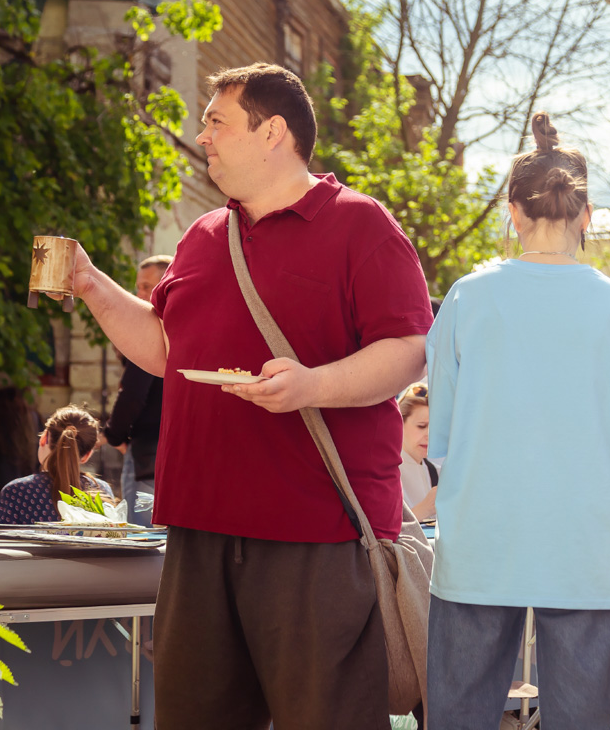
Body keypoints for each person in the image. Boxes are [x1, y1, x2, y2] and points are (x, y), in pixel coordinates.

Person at [65, 63, 433, 729]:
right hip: (199, 533)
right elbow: (166, 351)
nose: (202, 136)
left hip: (318, 537)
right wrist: (92, 285)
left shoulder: (362, 225)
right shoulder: (205, 235)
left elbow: (409, 350)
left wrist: (313, 385)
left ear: (272, 132)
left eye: (216, 122)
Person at [425, 112, 610, 730]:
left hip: (480, 539)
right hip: (584, 544)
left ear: (512, 211)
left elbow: (440, 432)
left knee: (459, 720)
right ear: (587, 214)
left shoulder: (466, 297)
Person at [101, 254, 172, 525]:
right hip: (177, 453)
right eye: (138, 286)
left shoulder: (151, 329)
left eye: (145, 286)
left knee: (141, 544)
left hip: (147, 457)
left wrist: (114, 435)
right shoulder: (187, 326)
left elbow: (133, 393)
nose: (138, 294)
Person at [0, 405, 114, 525]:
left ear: (44, 438)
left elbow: (2, 542)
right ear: (87, 455)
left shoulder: (16, 491)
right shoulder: (102, 491)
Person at [398, 382, 437, 521]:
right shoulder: (386, 474)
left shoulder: (438, 473)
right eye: (422, 426)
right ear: (399, 424)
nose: (429, 434)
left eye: (434, 427)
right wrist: (424, 509)